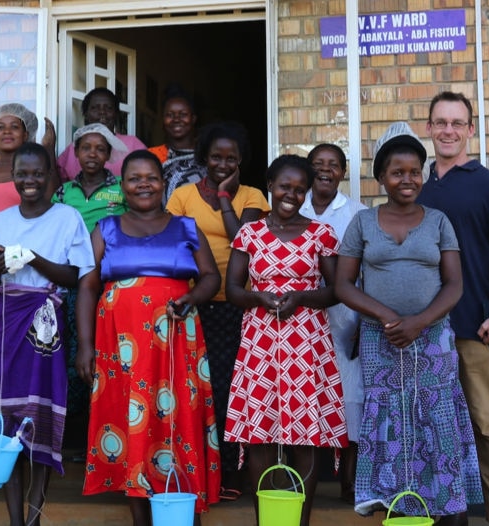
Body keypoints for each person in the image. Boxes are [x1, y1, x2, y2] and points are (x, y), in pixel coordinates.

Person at [335, 121, 483, 524]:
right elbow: (343, 283)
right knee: (389, 418)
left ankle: (449, 509)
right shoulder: (363, 223)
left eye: (415, 171)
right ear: (381, 176)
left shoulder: (438, 221)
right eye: (397, 172)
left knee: (437, 415)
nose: (408, 179)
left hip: (432, 337)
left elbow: (454, 285)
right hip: (379, 338)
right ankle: (397, 504)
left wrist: (418, 322)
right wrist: (386, 316)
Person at [76, 150, 222, 526]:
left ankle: (184, 514)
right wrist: (86, 345)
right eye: (134, 178)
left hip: (175, 337)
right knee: (132, 423)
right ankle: (142, 516)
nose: (143, 184)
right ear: (122, 185)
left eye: (151, 177)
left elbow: (210, 278)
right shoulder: (105, 228)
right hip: (121, 347)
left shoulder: (187, 226)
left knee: (179, 421)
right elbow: (88, 287)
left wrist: (191, 298)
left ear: (163, 183)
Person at [0, 142, 95, 526]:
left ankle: (35, 516)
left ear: (51, 177)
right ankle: (14, 520)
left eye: (38, 173)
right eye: (22, 173)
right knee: (4, 423)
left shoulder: (67, 217)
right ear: (13, 177)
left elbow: (75, 276)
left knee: (37, 419)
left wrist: (30, 257)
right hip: (2, 324)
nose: (29, 180)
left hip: (44, 326)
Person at [224, 154, 347, 526]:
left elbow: (335, 290)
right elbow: (232, 290)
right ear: (270, 187)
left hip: (307, 343)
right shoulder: (250, 233)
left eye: (299, 189)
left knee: (304, 435)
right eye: (284, 187)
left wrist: (301, 298)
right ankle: (269, 520)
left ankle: (300, 521)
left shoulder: (321, 234)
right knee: (260, 433)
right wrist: (259, 298)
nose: (290, 195)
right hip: (260, 342)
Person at [417, 92, 489, 526]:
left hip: (472, 326)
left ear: (470, 130)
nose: (447, 130)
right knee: (428, 426)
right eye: (440, 122)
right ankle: (437, 512)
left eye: (457, 123)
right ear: (428, 127)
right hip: (421, 329)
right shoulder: (417, 186)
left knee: (487, 426)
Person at [166, 121, 269, 501]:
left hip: (240, 308)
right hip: (193, 306)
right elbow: (174, 244)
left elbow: (245, 238)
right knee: (195, 389)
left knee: (230, 392)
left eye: (231, 158)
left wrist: (226, 197)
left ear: (241, 161)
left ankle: (229, 474)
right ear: (203, 158)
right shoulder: (181, 197)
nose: (223, 164)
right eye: (215, 157)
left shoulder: (253, 195)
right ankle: (193, 472)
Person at [52, 122, 128, 443]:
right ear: (76, 154)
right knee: (70, 354)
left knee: (104, 351)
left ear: (109, 155)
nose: (92, 154)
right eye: (86, 148)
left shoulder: (123, 188)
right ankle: (74, 434)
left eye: (100, 148)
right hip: (69, 280)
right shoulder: (63, 192)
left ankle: (104, 431)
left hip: (107, 281)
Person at [301, 143, 365, 504]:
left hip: (347, 318)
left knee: (350, 396)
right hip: (302, 318)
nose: (325, 170)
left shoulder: (357, 213)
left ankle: (350, 484)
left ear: (343, 171)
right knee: (307, 397)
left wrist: (364, 320)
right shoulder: (295, 204)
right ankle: (303, 482)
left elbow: (369, 269)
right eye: (318, 164)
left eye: (334, 165)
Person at [0, 103, 58, 238]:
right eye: (0, 127)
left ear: (25, 135)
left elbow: (51, 201)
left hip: (18, 251)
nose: (7, 131)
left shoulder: (32, 175)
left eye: (14, 127)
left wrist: (49, 150)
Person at [57, 87, 146, 182]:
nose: (102, 112)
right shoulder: (74, 148)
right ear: (86, 114)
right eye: (95, 108)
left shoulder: (133, 145)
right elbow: (59, 186)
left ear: (116, 113)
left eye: (108, 108)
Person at [148, 85, 207, 204]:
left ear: (193, 118)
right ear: (163, 120)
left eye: (183, 114)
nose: (176, 119)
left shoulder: (206, 156)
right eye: (170, 115)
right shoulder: (151, 156)